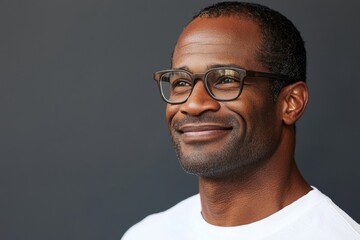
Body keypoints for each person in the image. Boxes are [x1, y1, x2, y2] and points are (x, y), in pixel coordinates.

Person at [122, 2, 360, 239]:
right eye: (181, 83)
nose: (193, 104)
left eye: (226, 79)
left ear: (291, 102)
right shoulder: (146, 233)